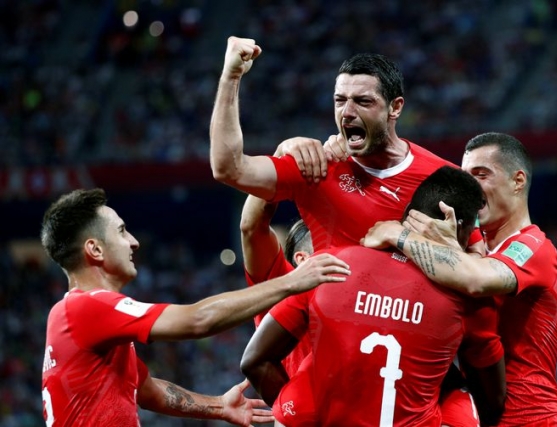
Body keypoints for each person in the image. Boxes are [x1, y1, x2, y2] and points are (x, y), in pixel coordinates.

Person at [40, 188, 350, 426]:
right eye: (121, 231)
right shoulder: (87, 308)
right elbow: (198, 319)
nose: (133, 242)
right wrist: (292, 282)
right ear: (94, 249)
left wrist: (219, 406)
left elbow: (148, 391)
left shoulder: (80, 316)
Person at [240, 166, 506, 426]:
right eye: (473, 234)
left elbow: (254, 361)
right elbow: (491, 401)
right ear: (459, 227)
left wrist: (293, 408)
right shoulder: (469, 298)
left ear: (406, 213)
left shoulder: (328, 265)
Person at [363, 133, 557, 426]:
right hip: (480, 412)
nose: (470, 188)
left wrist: (398, 234)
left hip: (533, 417)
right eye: (465, 176)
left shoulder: (534, 246)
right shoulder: (468, 250)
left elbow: (476, 280)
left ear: (518, 181)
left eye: (481, 174)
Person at [210, 36, 466, 252]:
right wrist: (231, 76)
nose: (347, 112)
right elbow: (228, 168)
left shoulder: (443, 178)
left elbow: (479, 260)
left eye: (363, 101)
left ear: (395, 108)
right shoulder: (316, 166)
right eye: (340, 100)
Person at [240, 191, 313, 378]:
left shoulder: (361, 292)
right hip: (299, 406)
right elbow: (251, 225)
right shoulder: (283, 283)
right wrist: (281, 165)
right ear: (302, 259)